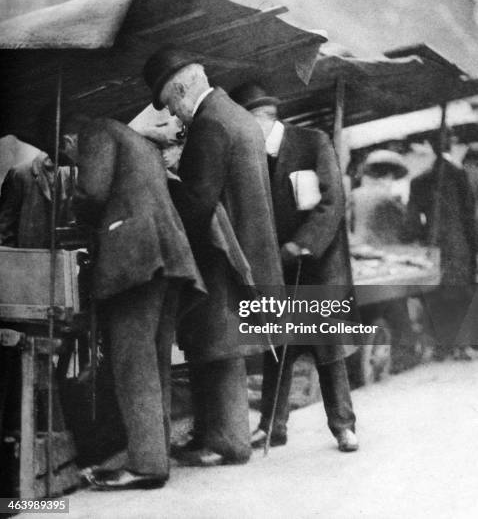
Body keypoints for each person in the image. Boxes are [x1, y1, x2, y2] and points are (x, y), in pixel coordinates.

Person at [143, 49, 283, 466]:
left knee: (217, 347)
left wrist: (165, 183)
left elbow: (197, 203)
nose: (175, 115)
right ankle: (215, 436)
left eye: (172, 104)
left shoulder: (210, 124)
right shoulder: (238, 116)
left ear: (184, 89)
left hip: (223, 258)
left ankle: (229, 444)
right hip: (250, 252)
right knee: (223, 347)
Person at [59, 115, 205, 490]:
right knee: (153, 363)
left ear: (67, 138)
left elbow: (91, 192)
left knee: (131, 363)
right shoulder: (135, 140)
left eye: (66, 153)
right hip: (166, 261)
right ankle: (155, 456)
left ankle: (146, 466)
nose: (71, 160)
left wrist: (72, 218)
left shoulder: (94, 131)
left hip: (134, 263)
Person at [230, 82, 358, 453]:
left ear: (261, 120)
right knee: (279, 346)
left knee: (327, 348)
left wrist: (301, 244)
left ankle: (344, 427)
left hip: (317, 265)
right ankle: (273, 425)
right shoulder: (251, 156)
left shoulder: (312, 142)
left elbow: (332, 202)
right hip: (279, 269)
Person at [407, 133, 477, 359]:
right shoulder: (459, 176)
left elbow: (412, 222)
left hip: (433, 244)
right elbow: (469, 216)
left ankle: (440, 345)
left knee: (435, 294)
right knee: (461, 293)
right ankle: (460, 345)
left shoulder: (419, 180)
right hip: (459, 245)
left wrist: (420, 239)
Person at [0, 152, 74, 247]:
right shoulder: (19, 173)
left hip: (58, 256)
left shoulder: (70, 175)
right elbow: (5, 226)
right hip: (27, 255)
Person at [349, 149, 409, 247]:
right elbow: (403, 225)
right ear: (390, 174)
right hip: (383, 247)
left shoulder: (355, 194)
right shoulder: (390, 198)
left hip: (357, 245)